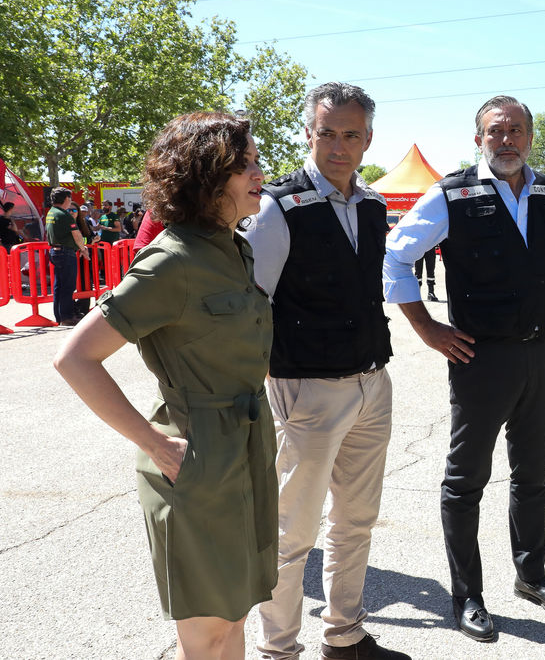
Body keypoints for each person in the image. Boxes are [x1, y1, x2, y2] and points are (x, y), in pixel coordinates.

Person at [53, 111, 274, 660]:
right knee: (206, 632)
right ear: (206, 177)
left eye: (256, 162)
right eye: (244, 165)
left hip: (247, 444)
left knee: (235, 615)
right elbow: (75, 358)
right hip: (197, 454)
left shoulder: (234, 247)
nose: (259, 173)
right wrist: (153, 442)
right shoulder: (172, 261)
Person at [383, 94, 545, 643]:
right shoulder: (452, 193)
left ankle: (531, 576)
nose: (507, 140)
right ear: (479, 140)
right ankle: (468, 595)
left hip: (540, 353)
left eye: (516, 130)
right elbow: (396, 255)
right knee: (465, 480)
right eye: (496, 131)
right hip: (480, 358)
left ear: (530, 138)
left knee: (532, 473)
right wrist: (427, 329)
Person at [245, 82, 408, 660]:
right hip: (306, 387)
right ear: (308, 134)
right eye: (328, 133)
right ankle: (279, 650)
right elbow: (252, 305)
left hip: (371, 383)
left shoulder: (372, 204)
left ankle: (344, 635)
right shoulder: (278, 206)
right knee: (291, 532)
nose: (339, 147)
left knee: (356, 522)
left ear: (368, 139)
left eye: (351, 135)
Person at [43, 188, 88, 326]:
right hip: (66, 252)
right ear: (67, 199)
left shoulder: (51, 212)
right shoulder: (64, 215)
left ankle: (60, 316)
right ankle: (67, 317)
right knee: (68, 286)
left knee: (59, 286)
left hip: (55, 251)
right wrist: (83, 249)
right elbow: (77, 235)